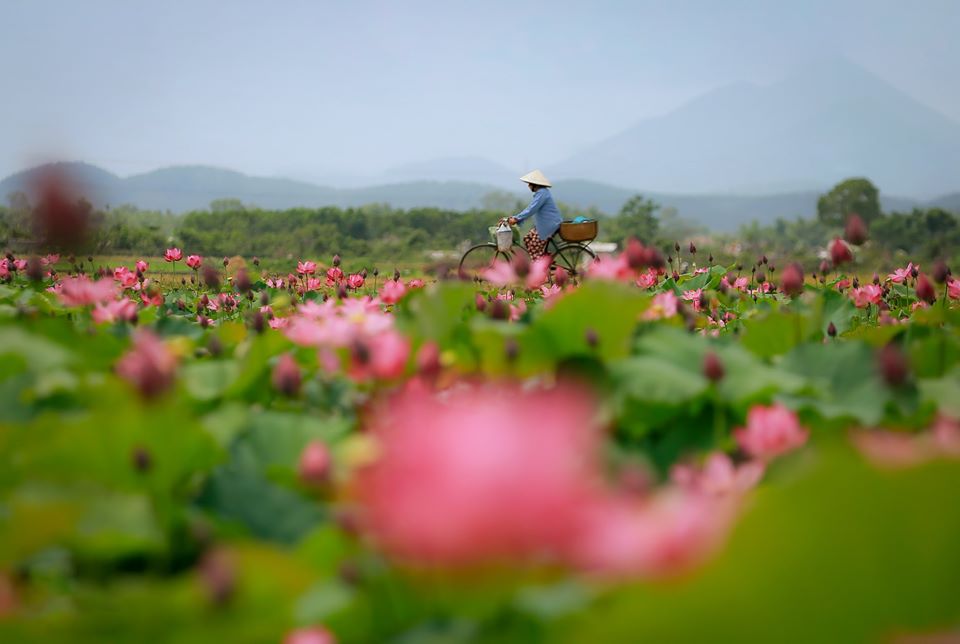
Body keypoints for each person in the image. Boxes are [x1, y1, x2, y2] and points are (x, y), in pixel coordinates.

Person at [508, 169, 562, 260]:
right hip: (544, 225)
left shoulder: (542, 193)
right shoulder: (541, 193)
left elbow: (531, 209)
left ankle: (539, 265)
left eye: (530, 184)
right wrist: (516, 218)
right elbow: (530, 208)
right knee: (527, 238)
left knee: (534, 245)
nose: (528, 186)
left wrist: (516, 219)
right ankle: (545, 260)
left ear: (535, 184)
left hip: (549, 225)